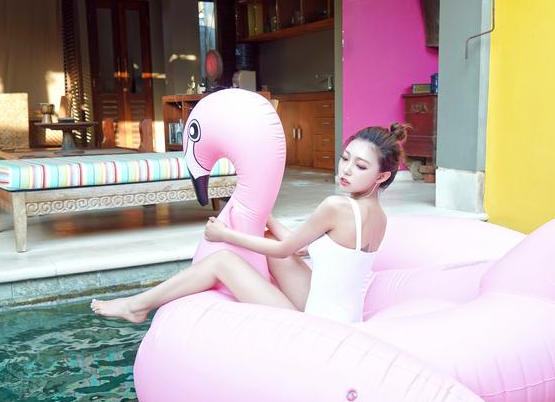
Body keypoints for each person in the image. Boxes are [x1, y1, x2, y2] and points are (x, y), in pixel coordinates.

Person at [89, 123, 409, 325]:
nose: (347, 169)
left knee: (223, 260)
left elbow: (285, 249)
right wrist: (266, 217)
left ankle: (137, 306)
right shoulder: (378, 216)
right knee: (267, 237)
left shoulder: (336, 206)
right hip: (344, 316)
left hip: (320, 325)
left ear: (381, 176)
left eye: (360, 166)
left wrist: (224, 233)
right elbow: (302, 248)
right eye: (345, 158)